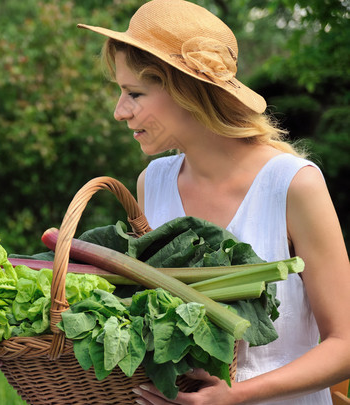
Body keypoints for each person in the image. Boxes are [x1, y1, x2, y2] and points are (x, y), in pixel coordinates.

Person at [77, 0, 350, 404]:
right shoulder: (153, 182)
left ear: (188, 91)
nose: (120, 112)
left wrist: (237, 395)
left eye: (134, 93)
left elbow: (345, 344)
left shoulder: (293, 184)